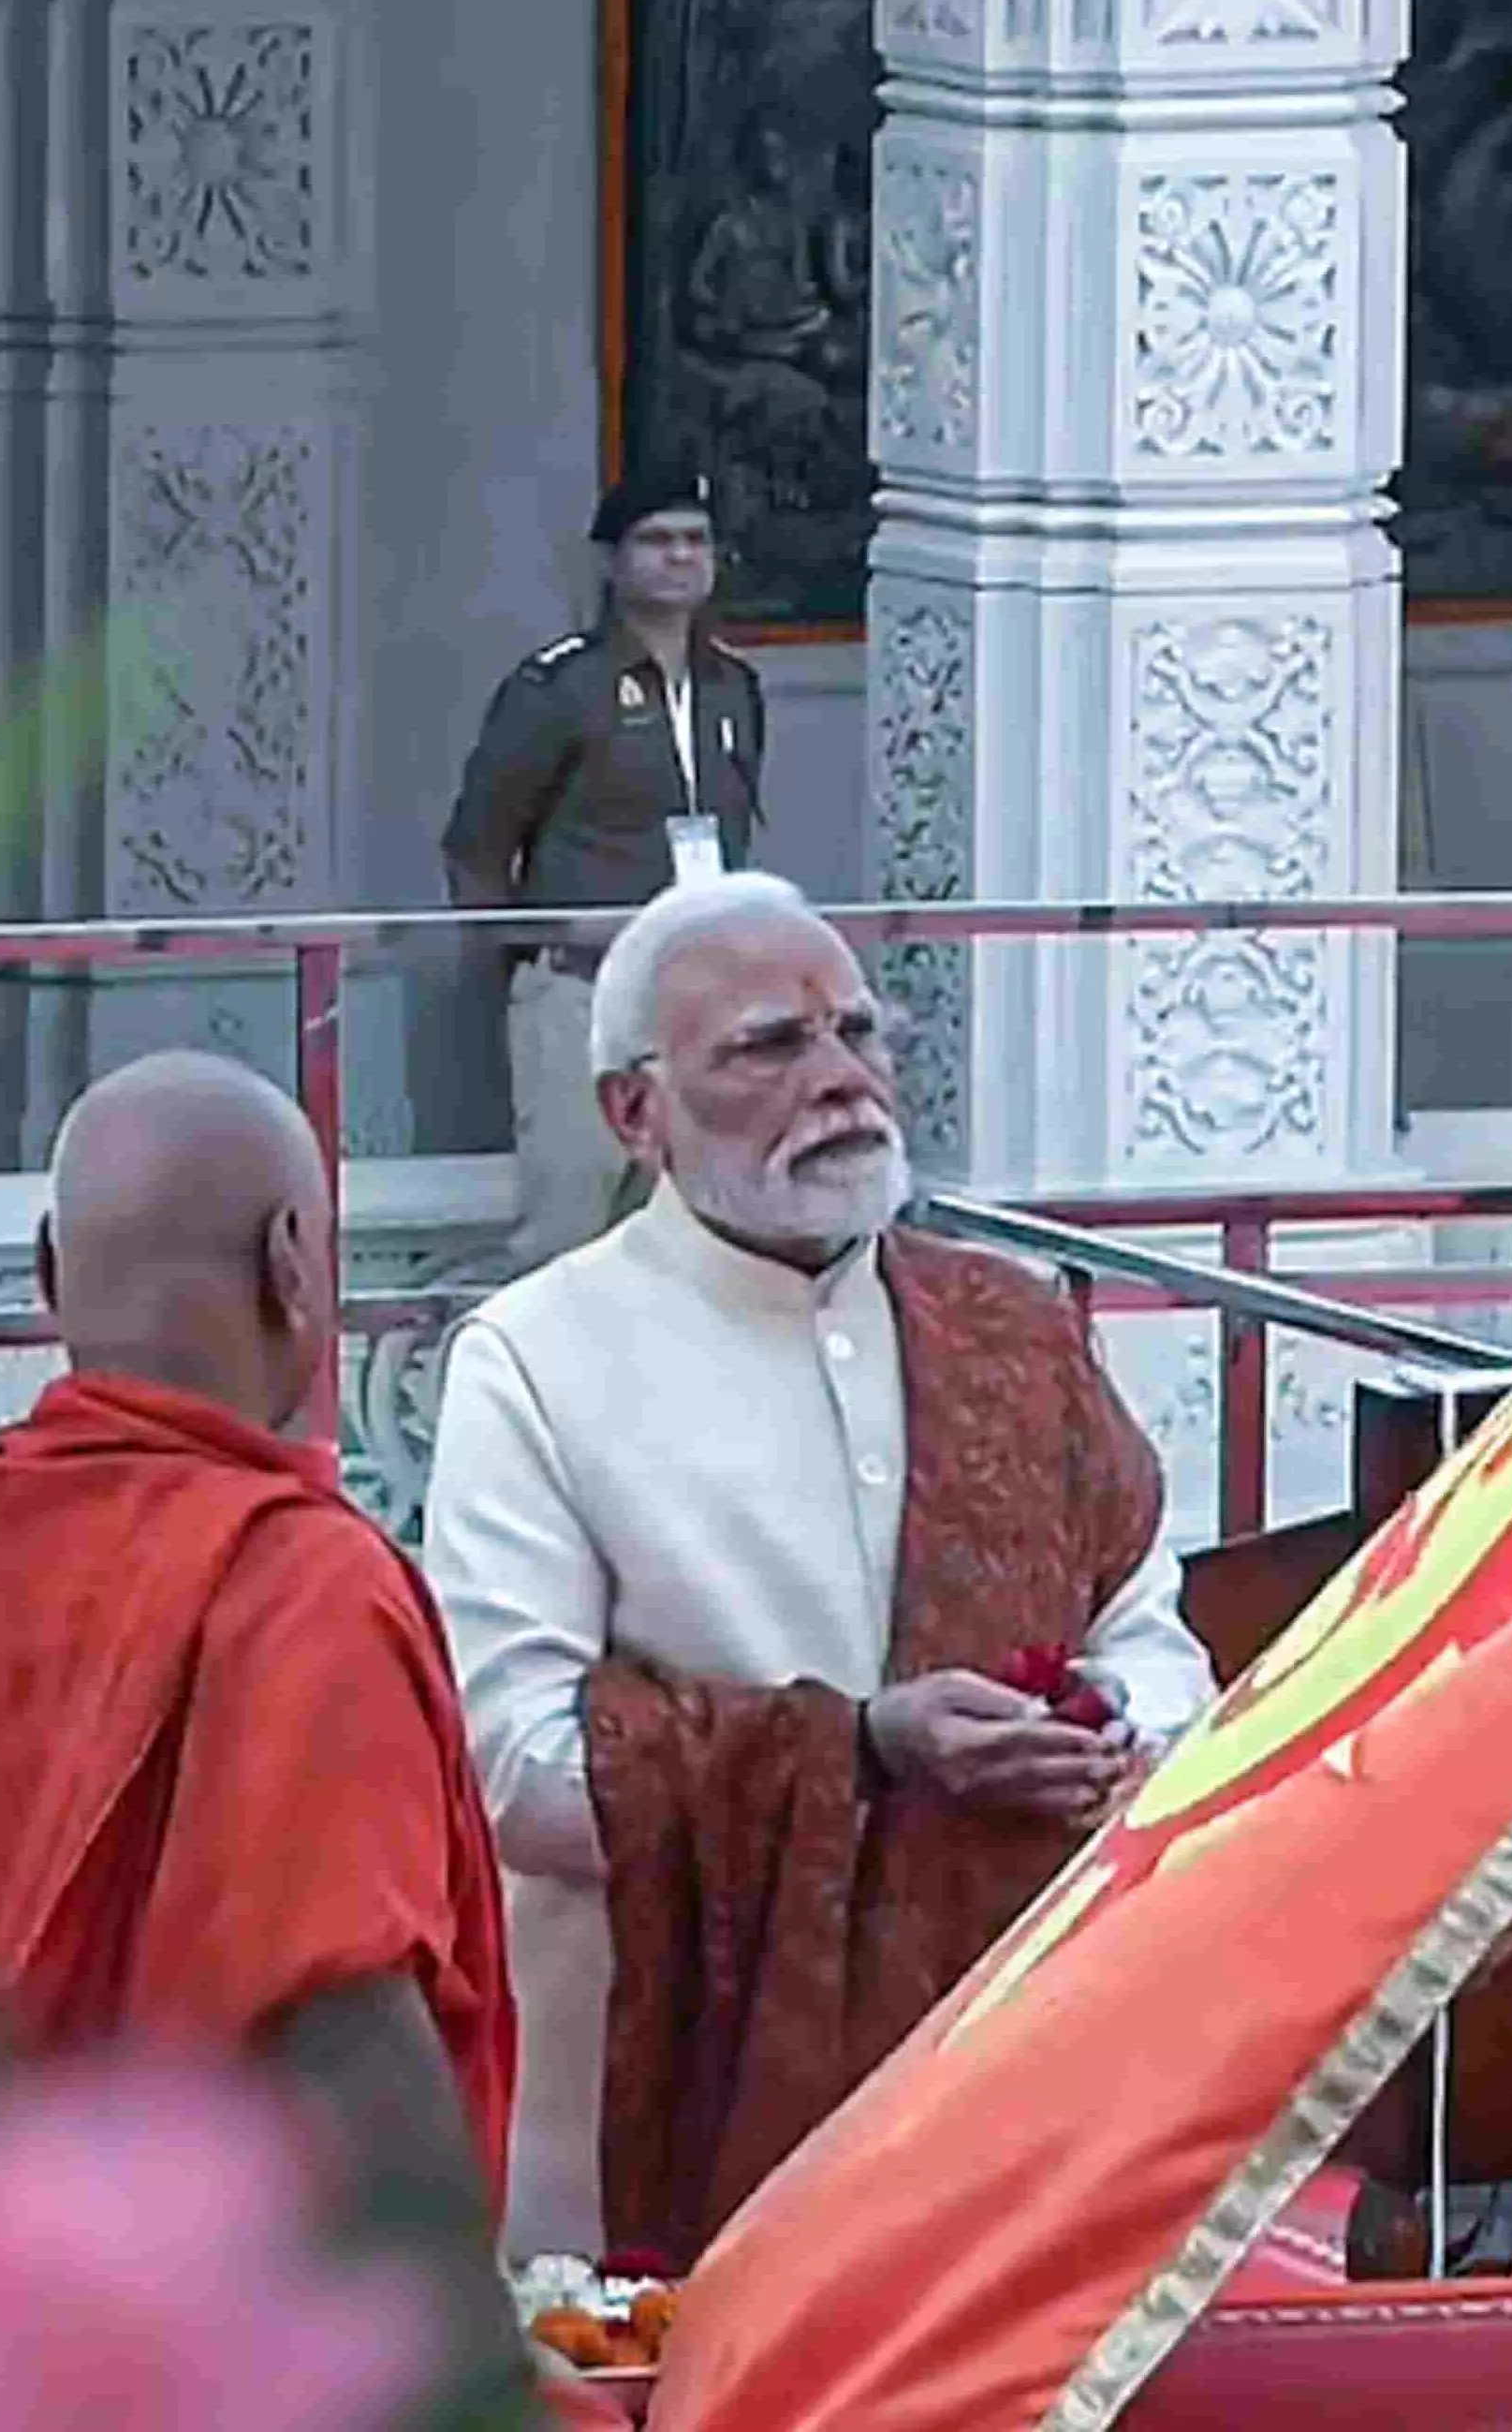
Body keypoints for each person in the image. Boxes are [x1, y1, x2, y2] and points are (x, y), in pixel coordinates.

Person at [422, 873, 1218, 2264]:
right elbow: (516, 1772)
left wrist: (1106, 1734)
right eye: (769, 1046)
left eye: (861, 1031)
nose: (844, 1080)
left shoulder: (1010, 1331)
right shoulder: (536, 1359)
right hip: (676, 2128)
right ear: (634, 1111)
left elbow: (1156, 1642)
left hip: (1002, 2097)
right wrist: (863, 1749)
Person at [0, 1053, 515, 2177]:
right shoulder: (306, 1584)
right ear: (293, 1265)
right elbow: (348, 2024)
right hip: (187, 2327)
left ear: (45, 1272)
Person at [442, 469, 774, 1272]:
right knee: (569, 1227)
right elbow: (477, 843)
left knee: (691, 1227)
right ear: (611, 561)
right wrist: (514, 966)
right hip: (581, 987)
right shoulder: (560, 688)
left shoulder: (734, 686)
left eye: (696, 541)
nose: (680, 558)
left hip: (697, 1001)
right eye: (657, 541)